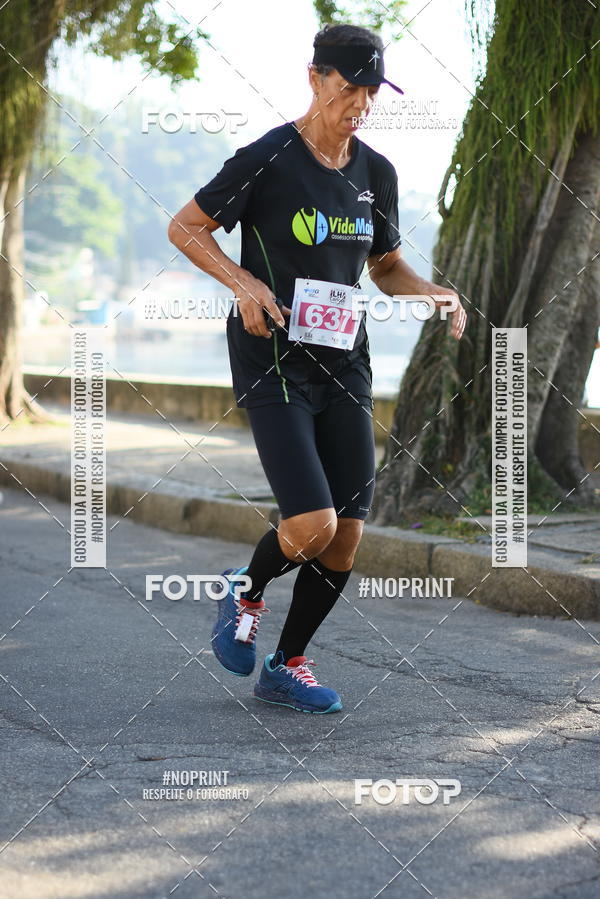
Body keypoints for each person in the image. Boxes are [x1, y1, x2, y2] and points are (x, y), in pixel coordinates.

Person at [168, 23, 467, 714]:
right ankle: (245, 585)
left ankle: (287, 662)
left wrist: (430, 291)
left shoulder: (376, 172)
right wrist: (244, 283)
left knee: (349, 534)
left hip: (344, 363)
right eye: (348, 86)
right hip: (272, 356)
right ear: (315, 78)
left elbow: (384, 265)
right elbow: (186, 227)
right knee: (312, 525)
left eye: (371, 90)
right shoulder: (268, 157)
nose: (359, 101)